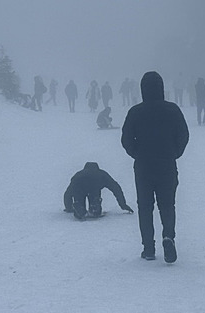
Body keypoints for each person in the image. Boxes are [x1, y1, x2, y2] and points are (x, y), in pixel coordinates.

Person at [121, 71, 189, 263]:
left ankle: (148, 248)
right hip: (167, 164)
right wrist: (174, 153)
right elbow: (183, 135)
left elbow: (126, 140)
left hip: (143, 166)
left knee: (145, 207)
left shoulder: (135, 112)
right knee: (167, 205)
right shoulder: (172, 110)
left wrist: (138, 153)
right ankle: (168, 237)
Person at [63, 162, 133, 220]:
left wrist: (68, 207)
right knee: (94, 194)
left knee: (78, 194)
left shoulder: (78, 174)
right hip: (95, 186)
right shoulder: (102, 174)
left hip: (79, 185)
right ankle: (95, 207)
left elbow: (68, 193)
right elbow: (116, 188)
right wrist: (123, 204)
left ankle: (79, 206)